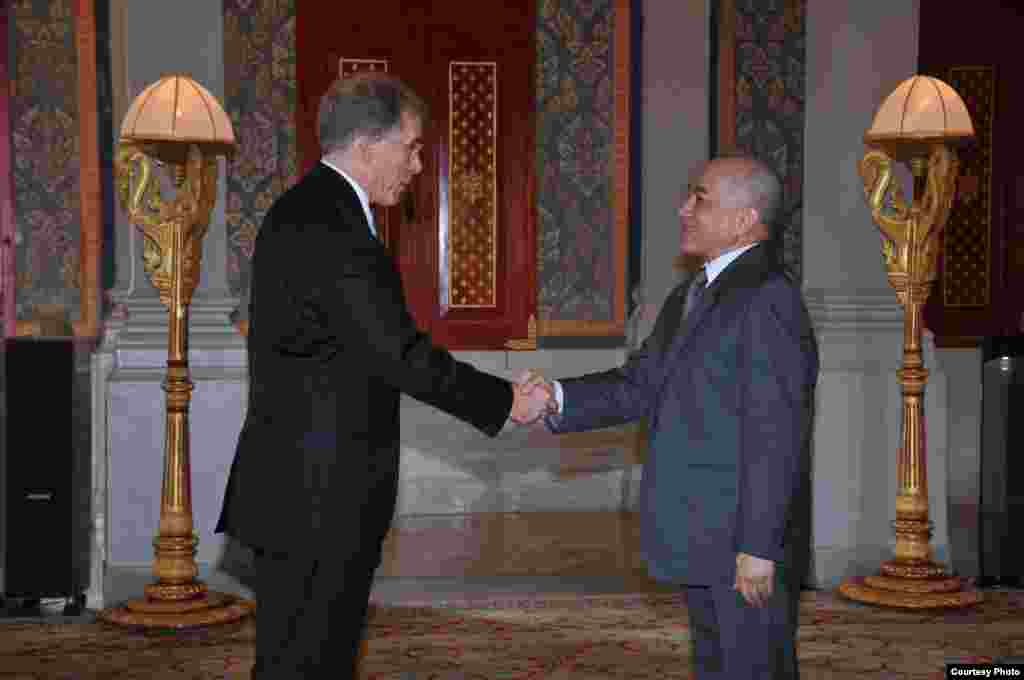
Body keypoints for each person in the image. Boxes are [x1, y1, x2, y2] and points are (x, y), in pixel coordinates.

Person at [215, 72, 548, 678]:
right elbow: (400, 355)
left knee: (301, 657)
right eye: (413, 147)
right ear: (369, 147)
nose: (419, 164)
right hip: (317, 496)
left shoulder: (311, 210)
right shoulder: (333, 229)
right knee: (311, 659)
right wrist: (505, 402)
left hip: (301, 489)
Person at [520, 155, 819, 679]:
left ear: (743, 218)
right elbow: (640, 383)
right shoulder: (696, 292)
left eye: (699, 198)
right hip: (708, 536)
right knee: (715, 664)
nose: (684, 208)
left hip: (742, 542)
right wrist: (556, 398)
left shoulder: (767, 297)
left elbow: (777, 431)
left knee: (753, 668)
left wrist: (759, 545)